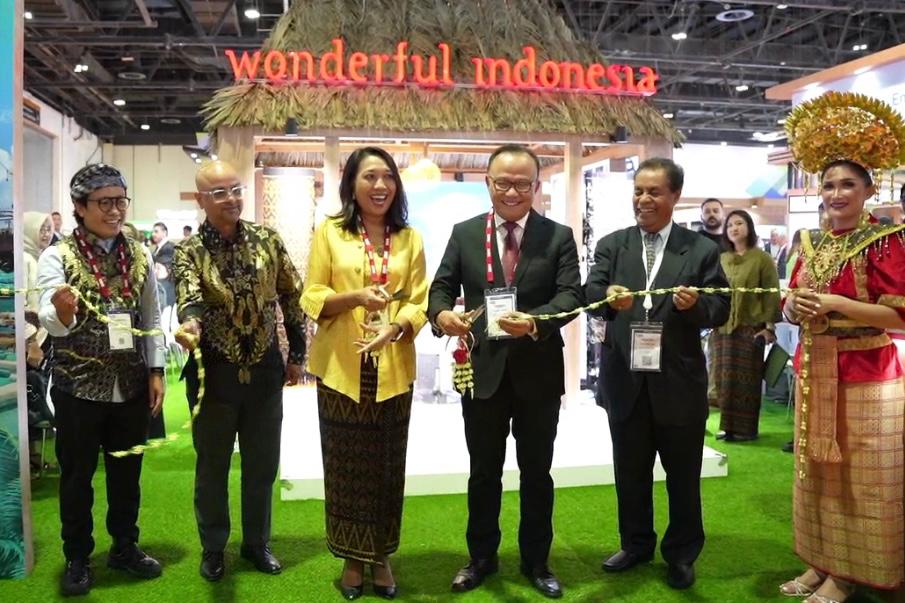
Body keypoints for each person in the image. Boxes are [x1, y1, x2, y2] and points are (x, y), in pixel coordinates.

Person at [428, 144, 583, 599]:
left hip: (538, 372)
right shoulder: (464, 233)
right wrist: (441, 315)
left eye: (521, 184)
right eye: (503, 182)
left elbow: (570, 296)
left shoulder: (558, 236)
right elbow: (440, 288)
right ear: (488, 183)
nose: (512, 192)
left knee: (537, 473)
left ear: (536, 185)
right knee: (483, 473)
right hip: (483, 373)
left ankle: (537, 561)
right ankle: (481, 558)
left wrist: (535, 321)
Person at [779, 91, 905, 603]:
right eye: (829, 184)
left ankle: (851, 574)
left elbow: (899, 315)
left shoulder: (888, 240)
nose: (836, 193)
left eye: (848, 184)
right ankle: (822, 563)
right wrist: (795, 307)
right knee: (816, 475)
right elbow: (789, 302)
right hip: (815, 368)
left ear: (870, 188)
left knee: (862, 481)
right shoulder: (811, 242)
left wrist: (837, 304)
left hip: (868, 373)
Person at [585, 157, 730, 591]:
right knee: (629, 472)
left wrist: (696, 306)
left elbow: (721, 307)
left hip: (678, 381)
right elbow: (590, 293)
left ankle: (681, 554)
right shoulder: (613, 245)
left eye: (654, 192)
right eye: (638, 191)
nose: (643, 200)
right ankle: (635, 544)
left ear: (675, 196)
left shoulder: (700, 249)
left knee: (682, 477)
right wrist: (607, 297)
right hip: (624, 379)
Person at [302, 147, 428, 600]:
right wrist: (355, 297)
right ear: (351, 184)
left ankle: (381, 556)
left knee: (387, 468)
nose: (380, 186)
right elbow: (312, 295)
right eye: (370, 177)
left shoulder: (409, 238)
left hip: (392, 367)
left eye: (388, 177)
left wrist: (396, 326)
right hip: (342, 368)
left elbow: (419, 300)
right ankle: (352, 559)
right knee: (346, 468)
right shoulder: (331, 232)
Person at [36, 163, 167, 597]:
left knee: (127, 474)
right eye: (104, 202)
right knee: (77, 478)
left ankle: (124, 547)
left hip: (130, 384)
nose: (114, 210)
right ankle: (77, 556)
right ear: (79, 206)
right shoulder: (58, 257)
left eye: (120, 201)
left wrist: (156, 370)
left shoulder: (140, 254)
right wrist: (62, 312)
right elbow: (50, 319)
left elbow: (150, 316)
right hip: (77, 387)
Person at [172, 160, 306, 583]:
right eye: (219, 193)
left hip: (265, 369)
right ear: (201, 200)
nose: (231, 198)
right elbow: (189, 297)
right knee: (212, 466)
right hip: (213, 374)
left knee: (262, 464)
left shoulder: (267, 240)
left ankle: (256, 544)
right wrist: (190, 324)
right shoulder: (188, 250)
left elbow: (292, 294)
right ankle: (214, 547)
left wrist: (298, 352)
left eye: (235, 189)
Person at [711, 210, 780, 442]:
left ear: (749, 227)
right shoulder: (722, 259)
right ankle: (727, 427)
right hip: (723, 328)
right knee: (723, 380)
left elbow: (771, 293)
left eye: (739, 223)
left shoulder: (762, 258)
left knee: (747, 381)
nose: (734, 228)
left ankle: (746, 430)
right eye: (730, 225)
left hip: (751, 327)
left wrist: (769, 328)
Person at [23, 211, 53, 312]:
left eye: (48, 229)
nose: (47, 234)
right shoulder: (24, 258)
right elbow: (20, 301)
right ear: (29, 231)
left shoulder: (40, 257)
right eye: (41, 230)